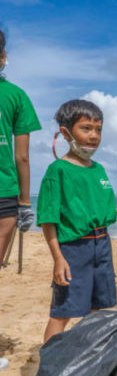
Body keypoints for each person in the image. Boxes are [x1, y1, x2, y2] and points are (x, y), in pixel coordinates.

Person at [37, 100, 117, 343]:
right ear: (66, 132)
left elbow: (100, 208)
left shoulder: (100, 169)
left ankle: (91, 357)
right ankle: (48, 366)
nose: (94, 135)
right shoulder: (58, 170)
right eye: (86, 128)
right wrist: (58, 258)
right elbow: (48, 219)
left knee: (99, 309)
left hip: (102, 246)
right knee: (63, 312)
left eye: (98, 129)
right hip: (74, 249)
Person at [0, 29, 41, 265]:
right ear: (3, 55)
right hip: (4, 190)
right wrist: (25, 203)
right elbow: (22, 157)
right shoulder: (17, 96)